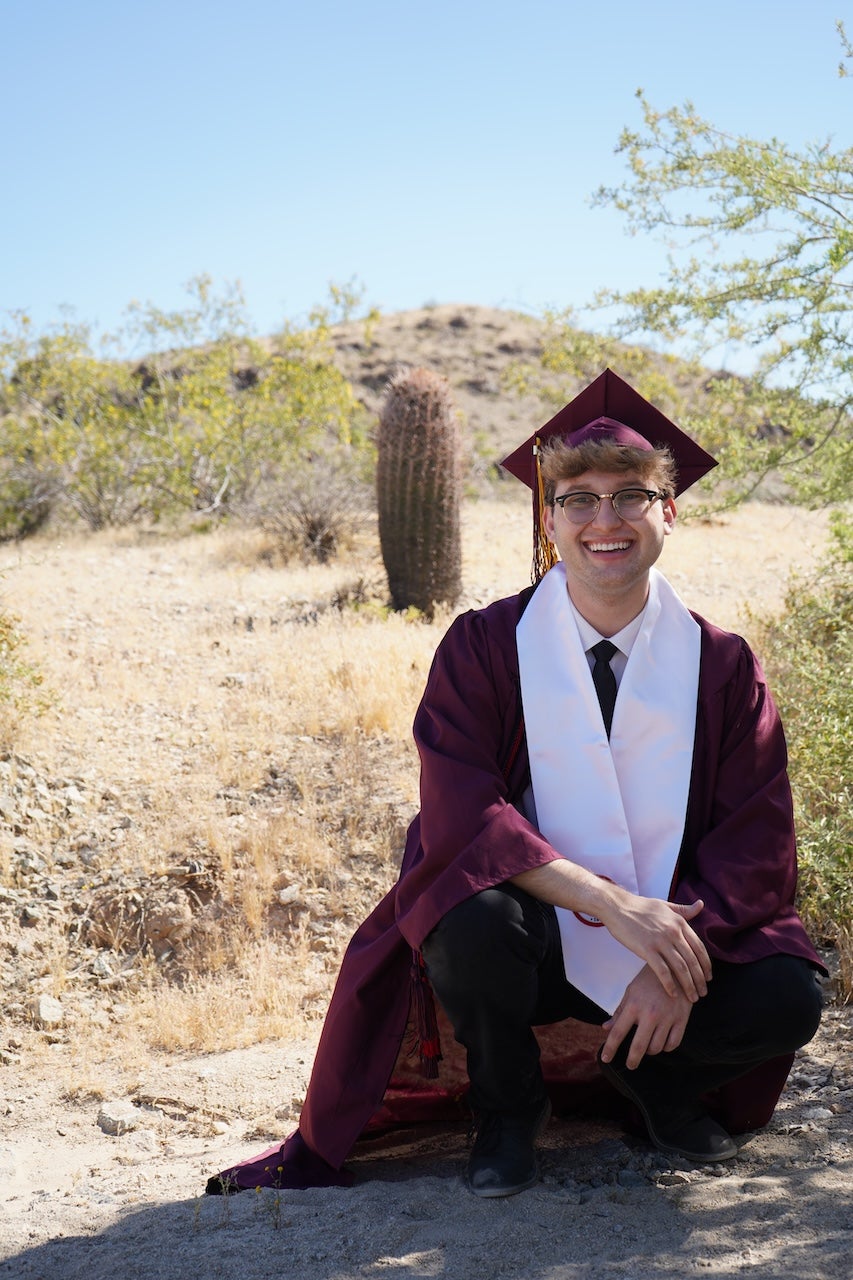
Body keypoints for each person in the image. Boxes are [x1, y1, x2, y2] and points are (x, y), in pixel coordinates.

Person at [208, 368, 824, 1199]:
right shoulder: (484, 646)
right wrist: (615, 908)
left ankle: (658, 1087)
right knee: (467, 916)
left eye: (630, 497)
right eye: (578, 499)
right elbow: (464, 820)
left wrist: (673, 956)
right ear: (549, 516)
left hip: (674, 926)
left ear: (668, 512)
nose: (603, 521)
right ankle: (507, 1108)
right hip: (531, 944)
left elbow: (756, 841)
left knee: (788, 993)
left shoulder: (722, 665)